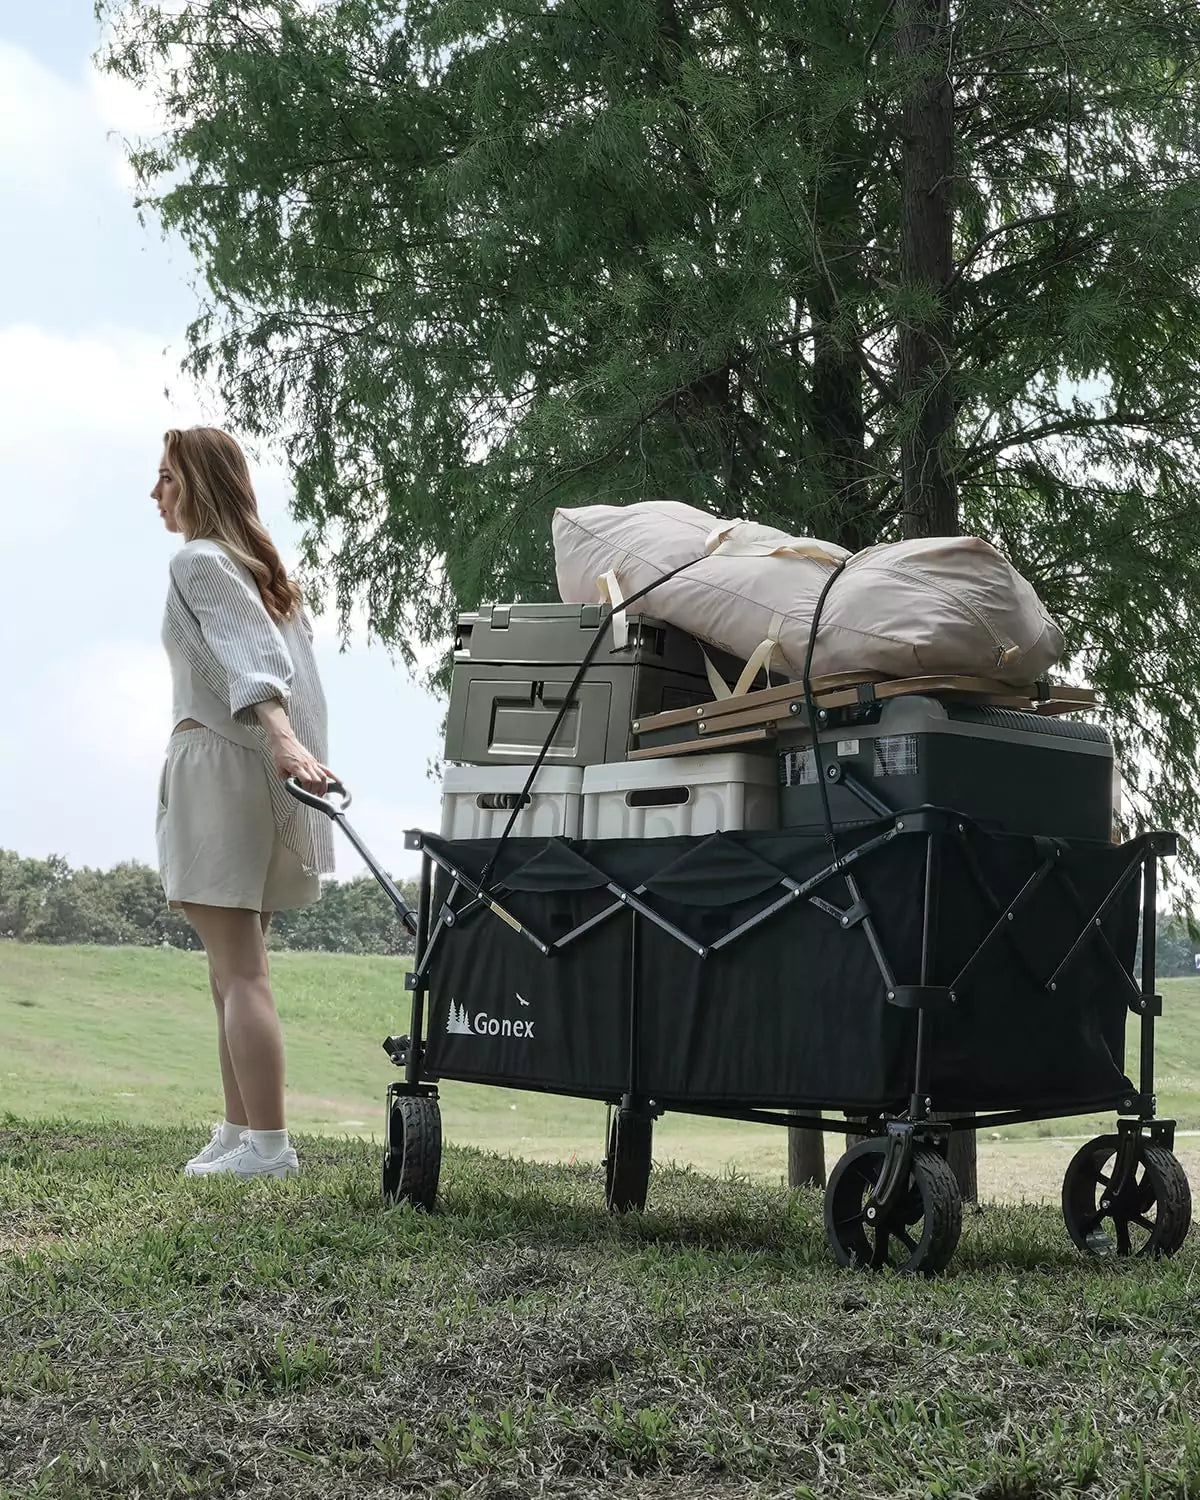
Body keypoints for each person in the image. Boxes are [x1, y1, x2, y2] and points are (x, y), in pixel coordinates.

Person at [153, 426, 336, 1180]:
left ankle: (270, 1147)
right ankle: (238, 1131)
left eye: (165, 476)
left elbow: (255, 666)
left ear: (195, 483)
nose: (154, 492)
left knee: (242, 970)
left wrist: (285, 742)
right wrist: (289, 751)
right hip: (253, 776)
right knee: (230, 970)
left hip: (223, 771)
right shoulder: (260, 570)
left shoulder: (198, 561)